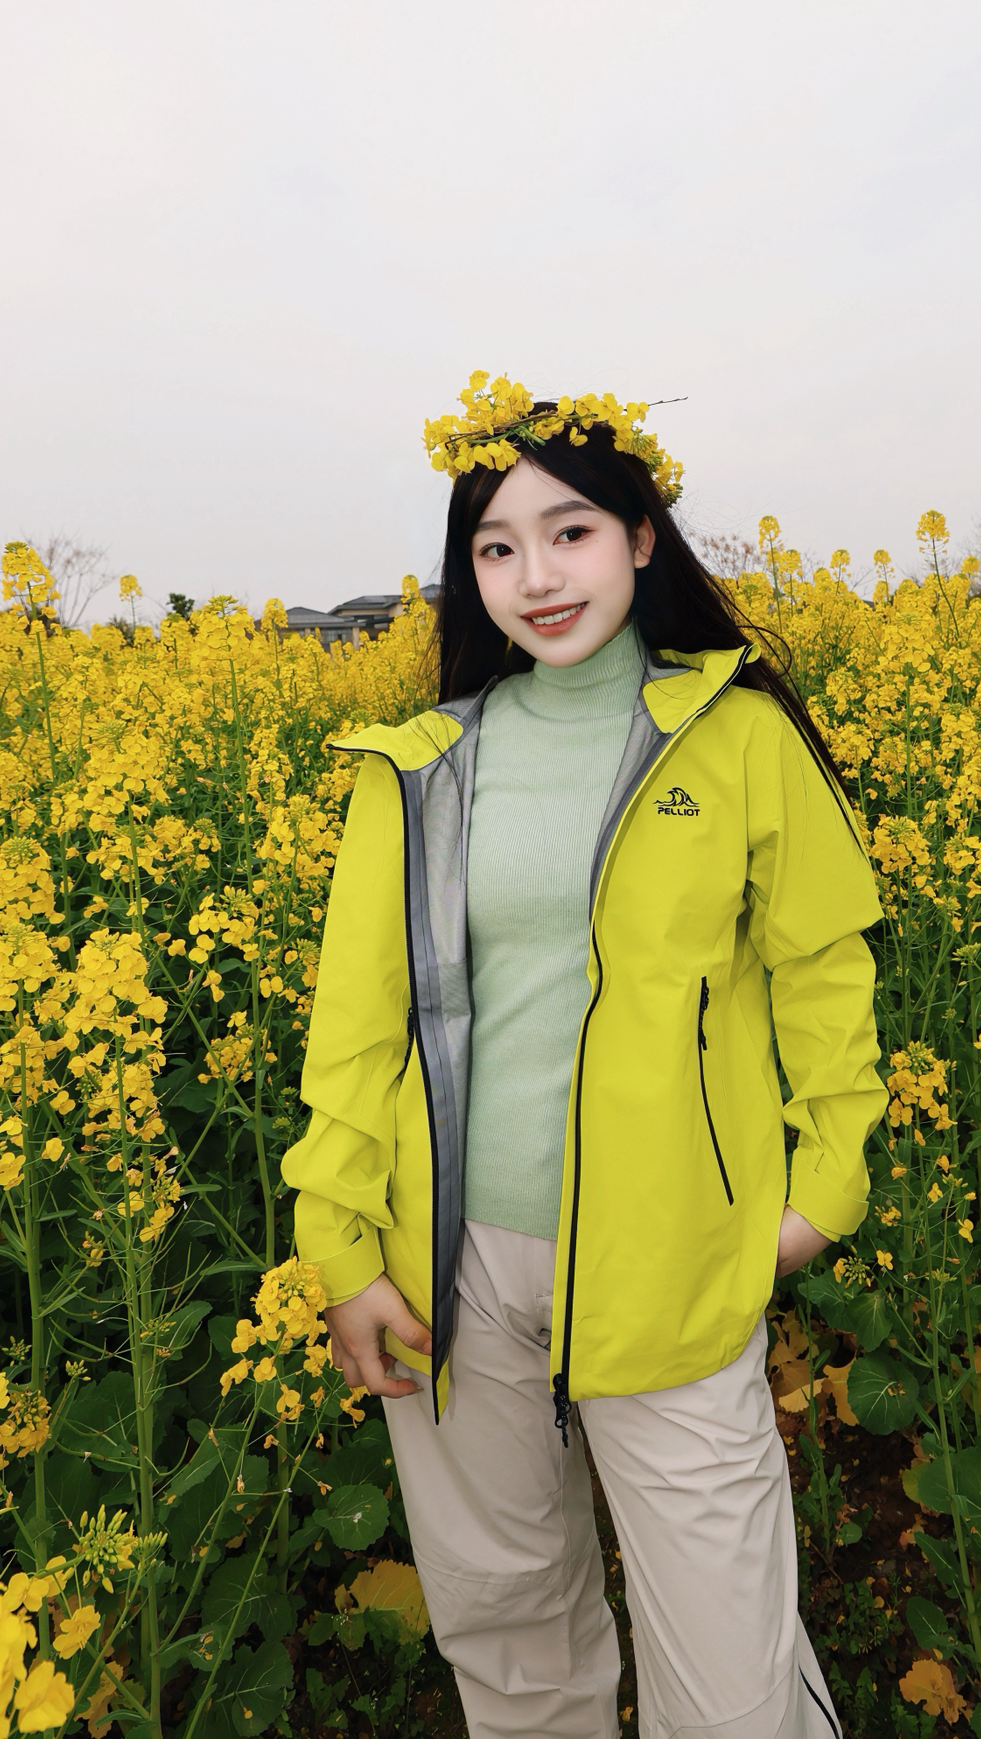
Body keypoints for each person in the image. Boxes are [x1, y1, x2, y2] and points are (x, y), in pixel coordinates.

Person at [280, 377, 886, 1739]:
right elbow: (359, 1024)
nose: (537, 578)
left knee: (732, 1680)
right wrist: (342, 1245)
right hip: (454, 1266)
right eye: (498, 548)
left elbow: (825, 972)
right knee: (511, 1639)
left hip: (674, 1251)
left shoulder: (735, 736)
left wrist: (820, 1193)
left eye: (571, 534)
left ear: (641, 539)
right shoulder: (419, 768)